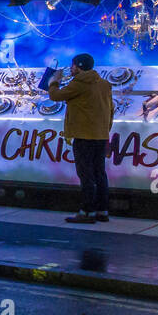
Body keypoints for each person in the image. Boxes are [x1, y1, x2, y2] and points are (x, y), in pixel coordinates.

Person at [47, 53, 114, 223]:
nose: (71, 68)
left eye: (73, 65)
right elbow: (110, 109)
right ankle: (102, 211)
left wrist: (53, 81)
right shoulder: (104, 84)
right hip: (100, 134)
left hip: (84, 135)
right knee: (100, 173)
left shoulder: (79, 83)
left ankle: (86, 212)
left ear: (79, 66)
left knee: (85, 174)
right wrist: (105, 130)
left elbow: (55, 96)